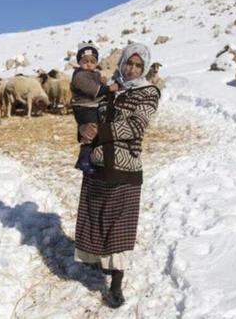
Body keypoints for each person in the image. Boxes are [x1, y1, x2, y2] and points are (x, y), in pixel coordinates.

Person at [73, 43, 161, 309]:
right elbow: (90, 117)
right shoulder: (111, 88)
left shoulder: (149, 92)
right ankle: (100, 263)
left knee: (119, 227)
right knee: (97, 218)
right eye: (128, 63)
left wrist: (99, 131)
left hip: (125, 168)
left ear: (144, 68)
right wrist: (84, 130)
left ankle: (116, 286)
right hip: (97, 166)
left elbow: (135, 126)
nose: (131, 69)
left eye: (138, 65)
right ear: (121, 62)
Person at [70, 42, 120, 174]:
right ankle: (84, 160)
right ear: (79, 62)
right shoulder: (79, 76)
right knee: (91, 131)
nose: (89, 64)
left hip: (92, 106)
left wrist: (102, 81)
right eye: (85, 61)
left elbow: (98, 82)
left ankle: (91, 158)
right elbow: (93, 89)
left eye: (92, 61)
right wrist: (109, 88)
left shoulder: (94, 73)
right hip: (84, 108)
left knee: (96, 131)